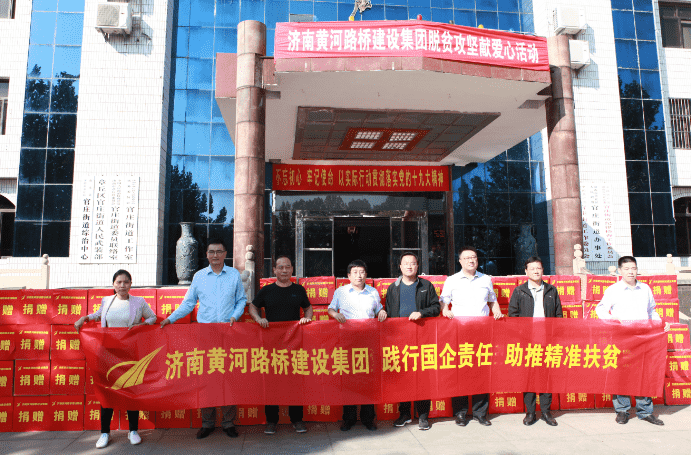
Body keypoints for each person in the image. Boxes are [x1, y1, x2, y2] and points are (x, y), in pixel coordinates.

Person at [160, 238, 247, 439]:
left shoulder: (234, 274)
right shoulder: (199, 276)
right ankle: (207, 423)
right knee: (206, 380)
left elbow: (241, 300)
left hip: (228, 334)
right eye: (211, 252)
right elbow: (188, 304)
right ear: (207, 255)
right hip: (205, 335)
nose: (215, 255)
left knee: (228, 379)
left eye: (219, 251)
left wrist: (235, 315)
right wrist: (170, 319)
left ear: (225, 254)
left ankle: (228, 423)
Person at [74, 269, 156, 449]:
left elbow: (153, 317)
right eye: (119, 282)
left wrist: (142, 324)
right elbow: (97, 315)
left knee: (131, 390)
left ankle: (133, 431)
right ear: (113, 284)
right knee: (107, 392)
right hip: (108, 354)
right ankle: (105, 433)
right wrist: (84, 318)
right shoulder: (107, 301)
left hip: (129, 353)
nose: (122, 285)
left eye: (126, 282)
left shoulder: (139, 302)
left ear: (131, 284)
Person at [595, 256, 671, 426]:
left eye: (633, 268)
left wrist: (661, 323)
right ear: (620, 271)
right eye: (627, 269)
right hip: (622, 337)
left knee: (643, 373)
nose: (631, 272)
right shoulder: (613, 290)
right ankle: (622, 411)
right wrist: (612, 319)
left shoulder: (645, 289)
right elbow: (600, 309)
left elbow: (651, 311)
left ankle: (645, 411)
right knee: (622, 374)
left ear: (637, 270)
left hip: (643, 337)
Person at [249, 256, 312, 435]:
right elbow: (252, 307)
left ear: (292, 269)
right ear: (275, 270)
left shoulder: (299, 290)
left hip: (294, 344)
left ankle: (297, 419)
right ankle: (271, 421)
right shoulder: (267, 290)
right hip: (271, 345)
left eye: (287, 267)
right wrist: (258, 319)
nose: (284, 270)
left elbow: (308, 308)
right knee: (272, 383)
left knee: (295, 382)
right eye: (280, 267)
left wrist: (307, 318)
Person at [440, 246, 503, 427]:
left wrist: (497, 311)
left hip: (482, 332)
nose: (471, 260)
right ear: (460, 261)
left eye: (473, 257)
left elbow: (492, 300)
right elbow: (443, 302)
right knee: (460, 371)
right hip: (459, 331)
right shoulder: (452, 280)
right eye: (467, 258)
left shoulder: (486, 279)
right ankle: (460, 413)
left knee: (481, 371)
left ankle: (480, 413)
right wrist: (445, 311)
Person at [328, 259, 387, 431]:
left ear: (366, 274)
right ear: (348, 276)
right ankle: (349, 418)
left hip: (369, 341)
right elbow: (331, 309)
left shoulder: (373, 292)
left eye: (361, 272)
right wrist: (335, 315)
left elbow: (378, 309)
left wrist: (382, 311)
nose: (358, 275)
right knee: (349, 380)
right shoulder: (341, 292)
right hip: (347, 341)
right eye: (355, 272)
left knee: (368, 380)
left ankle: (368, 418)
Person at [385, 252, 440, 431]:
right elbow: (388, 311)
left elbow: (436, 308)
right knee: (402, 378)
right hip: (399, 340)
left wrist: (422, 313)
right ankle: (405, 414)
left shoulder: (426, 285)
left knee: (422, 377)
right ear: (400, 267)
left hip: (421, 339)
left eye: (413, 263)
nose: (409, 266)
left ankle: (423, 416)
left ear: (417, 266)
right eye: (406, 263)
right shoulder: (393, 288)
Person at [508, 256, 561, 427]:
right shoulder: (519, 291)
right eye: (532, 268)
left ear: (543, 270)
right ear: (526, 271)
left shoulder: (551, 290)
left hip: (547, 341)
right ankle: (530, 412)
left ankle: (546, 411)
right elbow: (513, 316)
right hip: (527, 342)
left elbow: (558, 315)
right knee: (528, 377)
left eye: (538, 268)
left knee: (546, 377)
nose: (536, 271)